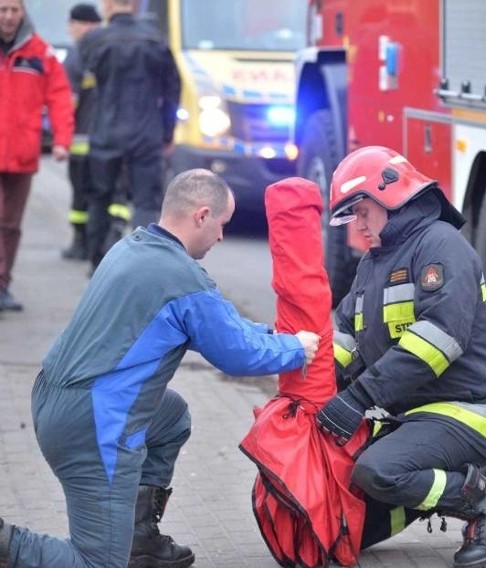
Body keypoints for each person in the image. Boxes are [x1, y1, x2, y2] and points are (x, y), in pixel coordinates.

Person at [0, 168, 321, 568]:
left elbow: (223, 325)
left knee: (171, 417)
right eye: (222, 225)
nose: (222, 236)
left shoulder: (133, 246)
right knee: (98, 562)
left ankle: (137, 539)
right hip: (94, 423)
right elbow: (237, 353)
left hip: (52, 398)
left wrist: (273, 335)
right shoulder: (182, 279)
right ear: (201, 216)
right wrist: (295, 349)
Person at [317, 146, 486, 568]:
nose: (357, 226)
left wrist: (357, 398)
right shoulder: (374, 264)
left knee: (378, 473)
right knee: (349, 533)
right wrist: (312, 387)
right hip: (413, 414)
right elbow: (345, 336)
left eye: (361, 212)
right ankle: (472, 475)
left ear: (388, 195)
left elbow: (438, 339)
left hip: (468, 409)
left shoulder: (441, 246)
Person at [79, 0, 180, 273]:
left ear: (108, 6)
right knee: (146, 201)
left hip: (105, 132)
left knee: (100, 197)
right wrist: (167, 133)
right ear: (134, 6)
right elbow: (172, 91)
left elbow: (82, 83)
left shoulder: (95, 41)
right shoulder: (155, 40)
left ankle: (96, 262)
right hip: (146, 134)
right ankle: (142, 265)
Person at [0, 0, 73, 311]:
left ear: (23, 13)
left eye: (14, 10)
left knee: (11, 224)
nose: (8, 16)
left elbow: (59, 97)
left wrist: (61, 140)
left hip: (21, 154)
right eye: (2, 9)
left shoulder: (39, 53)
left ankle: (3, 284)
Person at [60, 3, 105, 260]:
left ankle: (80, 241)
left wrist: (60, 134)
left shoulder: (77, 55)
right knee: (107, 193)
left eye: (72, 24)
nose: (70, 30)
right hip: (110, 138)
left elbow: (69, 100)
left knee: (81, 193)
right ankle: (103, 241)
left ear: (83, 24)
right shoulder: (112, 48)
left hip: (81, 139)